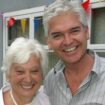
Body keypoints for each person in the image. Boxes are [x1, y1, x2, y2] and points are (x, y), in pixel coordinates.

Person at [43, 0, 105, 105]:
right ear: (48, 42)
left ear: (87, 32)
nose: (68, 41)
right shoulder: (50, 81)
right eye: (57, 35)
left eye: (74, 31)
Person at [0, 37, 51, 105]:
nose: (28, 80)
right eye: (20, 72)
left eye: (34, 71)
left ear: (42, 74)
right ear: (8, 74)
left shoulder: (46, 101)